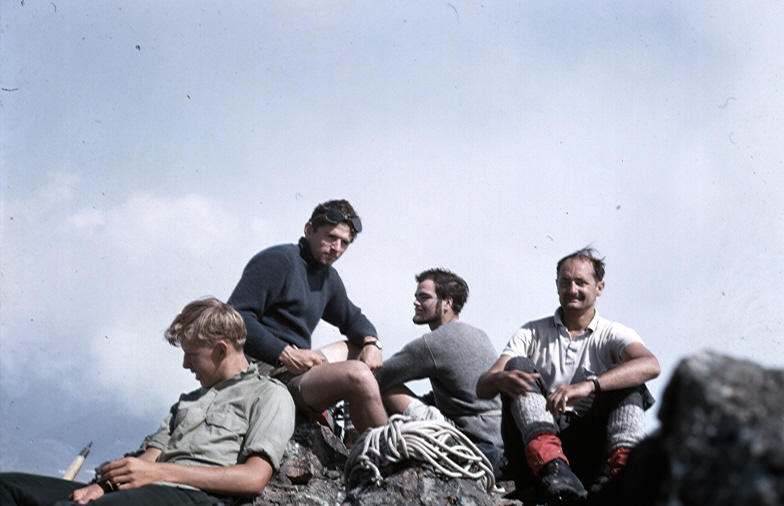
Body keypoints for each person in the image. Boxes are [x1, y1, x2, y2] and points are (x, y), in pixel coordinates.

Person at [0, 298, 295, 506]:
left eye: (191, 355)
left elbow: (254, 478)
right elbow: (148, 460)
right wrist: (101, 487)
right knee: (7, 488)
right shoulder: (188, 402)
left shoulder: (269, 395)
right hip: (146, 490)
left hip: (193, 497)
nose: (185, 365)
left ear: (221, 350)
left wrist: (158, 473)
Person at [476, 248, 660, 503]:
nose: (572, 289)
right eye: (565, 282)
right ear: (557, 286)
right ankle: (552, 466)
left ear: (599, 287)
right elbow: (483, 386)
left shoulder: (613, 333)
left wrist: (589, 386)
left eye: (581, 282)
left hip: (593, 451)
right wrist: (501, 380)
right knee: (517, 365)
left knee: (627, 379)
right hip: (539, 459)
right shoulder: (532, 332)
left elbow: (650, 365)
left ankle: (626, 475)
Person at [227, 199, 387, 433]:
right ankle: (388, 453)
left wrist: (372, 342)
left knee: (361, 351)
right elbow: (235, 318)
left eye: (345, 243)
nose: (337, 248)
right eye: (331, 237)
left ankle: (355, 439)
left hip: (297, 367)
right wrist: (284, 353)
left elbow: (353, 319)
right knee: (358, 374)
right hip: (262, 371)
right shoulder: (279, 260)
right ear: (309, 230)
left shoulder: (328, 278)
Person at [375, 269, 504, 477]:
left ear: (447, 303)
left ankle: (378, 452)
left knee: (377, 385)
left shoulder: (435, 342)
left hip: (469, 443)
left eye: (424, 297)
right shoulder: (479, 334)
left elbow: (379, 376)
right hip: (498, 443)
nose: (416, 302)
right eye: (416, 297)